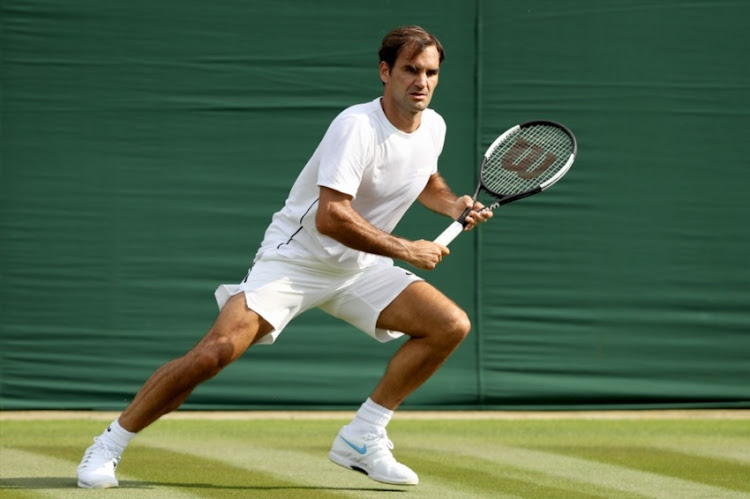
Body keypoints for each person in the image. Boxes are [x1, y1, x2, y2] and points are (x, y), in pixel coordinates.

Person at [76, 25, 491, 489]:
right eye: (410, 70)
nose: (422, 82)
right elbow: (331, 218)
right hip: (296, 261)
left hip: (359, 267)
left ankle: (364, 435)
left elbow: (425, 179)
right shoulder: (355, 127)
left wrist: (452, 204)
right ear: (384, 71)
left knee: (448, 325)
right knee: (213, 354)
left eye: (431, 72)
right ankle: (108, 445)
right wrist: (405, 249)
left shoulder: (433, 125)